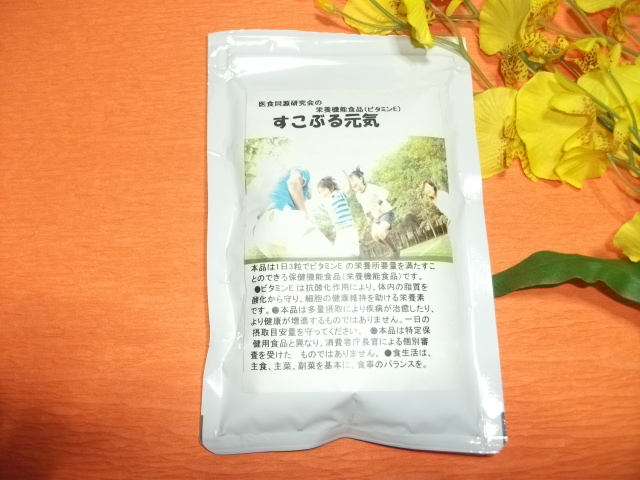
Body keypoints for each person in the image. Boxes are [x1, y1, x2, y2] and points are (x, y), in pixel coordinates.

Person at [253, 167, 336, 258]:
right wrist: (304, 215)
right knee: (329, 255)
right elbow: (293, 183)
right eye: (307, 195)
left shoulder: (274, 188)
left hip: (261, 235)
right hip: (281, 219)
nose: (306, 199)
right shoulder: (301, 171)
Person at [346, 167, 400, 258]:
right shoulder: (358, 195)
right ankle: (394, 249)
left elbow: (385, 192)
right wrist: (367, 216)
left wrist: (378, 205)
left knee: (381, 232)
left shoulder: (370, 187)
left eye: (353, 180)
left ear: (361, 179)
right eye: (350, 182)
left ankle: (395, 252)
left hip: (386, 212)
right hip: (376, 217)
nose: (352, 183)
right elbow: (365, 207)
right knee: (375, 236)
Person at [317, 176, 360, 257]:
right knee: (338, 254)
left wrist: (345, 175)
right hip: (339, 231)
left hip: (348, 228)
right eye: (320, 192)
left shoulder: (337, 194)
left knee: (351, 253)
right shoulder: (326, 203)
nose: (322, 193)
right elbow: (319, 206)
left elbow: (348, 188)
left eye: (323, 190)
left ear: (331, 188)